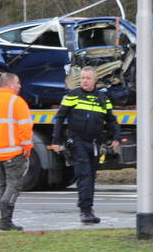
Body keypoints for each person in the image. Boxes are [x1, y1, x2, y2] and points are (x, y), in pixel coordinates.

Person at [51, 66, 121, 224]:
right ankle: (85, 210)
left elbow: (111, 120)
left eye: (88, 78)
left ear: (95, 80)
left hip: (95, 143)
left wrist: (116, 137)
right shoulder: (73, 95)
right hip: (78, 142)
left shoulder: (103, 98)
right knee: (84, 176)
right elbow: (60, 118)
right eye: (82, 78)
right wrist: (56, 140)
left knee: (91, 176)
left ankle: (88, 208)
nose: (84, 81)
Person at [0, 72, 33, 231]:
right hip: (14, 153)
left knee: (2, 185)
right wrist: (27, 148)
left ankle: (4, 219)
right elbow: (25, 127)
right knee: (13, 186)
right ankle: (5, 215)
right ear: (9, 85)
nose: (19, 86)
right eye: (17, 83)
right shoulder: (17, 102)